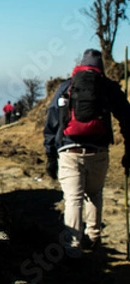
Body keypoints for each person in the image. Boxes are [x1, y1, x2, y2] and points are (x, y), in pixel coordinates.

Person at [43, 49, 130, 259]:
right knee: (95, 193)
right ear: (101, 67)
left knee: (73, 199)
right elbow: (127, 117)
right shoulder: (108, 87)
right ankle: (93, 235)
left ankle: (73, 248)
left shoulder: (66, 86)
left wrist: (50, 154)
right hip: (98, 151)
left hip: (69, 150)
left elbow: (52, 120)